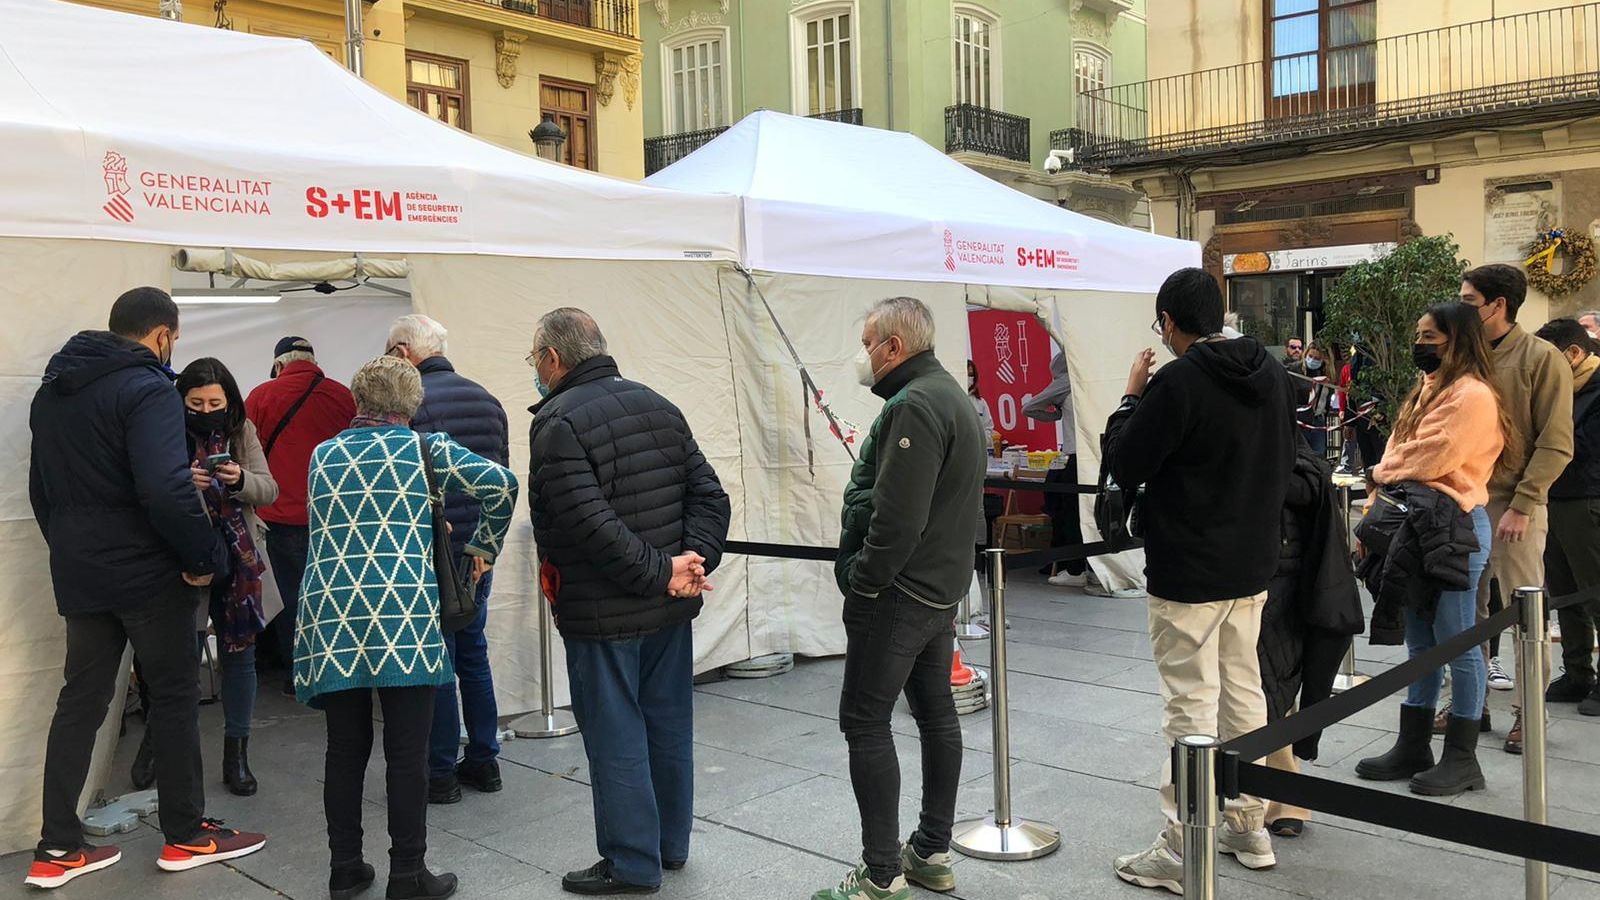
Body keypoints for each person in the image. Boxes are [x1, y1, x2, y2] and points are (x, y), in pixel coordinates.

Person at [25, 287, 266, 889]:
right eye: (173, 341)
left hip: (81, 569)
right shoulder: (150, 388)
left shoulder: (51, 393)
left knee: (80, 700)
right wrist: (204, 555)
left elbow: (41, 492)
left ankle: (57, 845)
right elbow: (165, 490)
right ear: (162, 336)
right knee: (176, 696)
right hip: (148, 572)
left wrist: (73, 550)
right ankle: (185, 835)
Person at [294, 356, 518, 900]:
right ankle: (407, 872)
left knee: (344, 750)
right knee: (407, 754)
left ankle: (345, 867)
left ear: (358, 401)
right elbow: (502, 486)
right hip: (405, 619)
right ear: (411, 403)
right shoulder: (426, 449)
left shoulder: (323, 456)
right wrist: (481, 547)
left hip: (332, 619)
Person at [526, 308, 730, 896]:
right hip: (667, 606)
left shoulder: (559, 422)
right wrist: (692, 563)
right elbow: (710, 498)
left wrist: (671, 571)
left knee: (615, 735)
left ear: (553, 359)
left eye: (534, 359)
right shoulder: (657, 403)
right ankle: (669, 845)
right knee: (667, 726)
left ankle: (632, 863)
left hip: (605, 611)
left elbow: (589, 525)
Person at [1105, 268, 1297, 894]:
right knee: (1244, 694)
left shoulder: (1178, 380)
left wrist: (1132, 396)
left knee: (1190, 703)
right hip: (1251, 562)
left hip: (1188, 567)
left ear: (1168, 322)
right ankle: (1247, 823)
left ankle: (1183, 841)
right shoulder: (1269, 371)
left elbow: (1128, 460)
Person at [817, 296, 983, 900]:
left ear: (894, 347)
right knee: (935, 714)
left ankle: (882, 874)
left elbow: (898, 518)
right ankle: (932, 851)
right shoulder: (950, 398)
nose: (864, 356)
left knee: (864, 720)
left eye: (868, 345)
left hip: (902, 591)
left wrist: (864, 577)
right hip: (938, 588)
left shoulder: (916, 404)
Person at [1353, 301, 1513, 795]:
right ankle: (1414, 743)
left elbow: (1432, 454)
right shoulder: (1429, 390)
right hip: (1419, 524)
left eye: (1430, 336)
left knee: (1457, 642)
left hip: (1456, 527)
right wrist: (1390, 466)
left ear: (1457, 340)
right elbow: (1401, 447)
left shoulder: (1473, 395)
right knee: (1421, 640)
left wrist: (1382, 471)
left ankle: (1462, 758)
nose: (1420, 344)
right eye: (1419, 335)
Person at [387, 315, 512, 805]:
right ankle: (485, 760)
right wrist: (487, 545)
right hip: (478, 551)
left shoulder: (410, 406)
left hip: (432, 551)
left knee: (436, 661)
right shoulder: (488, 398)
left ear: (401, 353)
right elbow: (499, 476)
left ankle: (439, 770)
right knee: (474, 653)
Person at [1458, 264, 1573, 753]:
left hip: (1513, 503)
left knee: (1525, 609)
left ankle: (1530, 711)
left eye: (1468, 300)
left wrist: (1524, 504)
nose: (1461, 307)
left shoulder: (1542, 358)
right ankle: (1469, 703)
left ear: (1497, 305)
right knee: (1466, 608)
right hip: (1464, 499)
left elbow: (1556, 442)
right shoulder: (1463, 355)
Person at [177, 357, 280, 797]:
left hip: (240, 562)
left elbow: (270, 488)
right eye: (196, 401)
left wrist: (238, 479)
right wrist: (186, 484)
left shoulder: (241, 429)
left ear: (229, 399)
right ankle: (162, 750)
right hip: (187, 560)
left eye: (214, 401)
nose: (205, 409)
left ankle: (236, 754)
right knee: (180, 660)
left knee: (240, 656)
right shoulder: (165, 430)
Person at [1257, 440, 1363, 836]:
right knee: (1269, 683)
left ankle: (1277, 797)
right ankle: (1278, 797)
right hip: (1275, 567)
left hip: (1266, 569)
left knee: (1269, 684)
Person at [245, 336, 356, 694]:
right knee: (336, 595)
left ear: (279, 365)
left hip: (278, 517)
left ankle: (299, 675)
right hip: (334, 516)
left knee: (291, 597)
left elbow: (245, 457)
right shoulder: (343, 396)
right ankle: (339, 672)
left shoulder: (261, 396)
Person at [1535, 319, 1600, 714]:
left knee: (1593, 590)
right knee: (1563, 593)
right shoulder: (1559, 390)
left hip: (1586, 499)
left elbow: (1578, 446)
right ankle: (1577, 672)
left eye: (1550, 359)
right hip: (1551, 498)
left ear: (1574, 354)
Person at [1024, 351, 1091, 589]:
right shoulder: (1091, 379)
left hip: (1074, 456)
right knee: (1095, 515)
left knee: (1071, 514)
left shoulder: (1065, 381)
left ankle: (1074, 569)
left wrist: (1055, 415)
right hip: (1097, 454)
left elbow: (1030, 407)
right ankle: (1094, 568)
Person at [1290, 344, 1336, 456]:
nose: (1312, 360)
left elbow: (1328, 397)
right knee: (1300, 456)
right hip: (1299, 421)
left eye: (1317, 359)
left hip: (1318, 421)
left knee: (1318, 455)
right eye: (1310, 356)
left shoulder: (1327, 373)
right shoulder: (1294, 370)